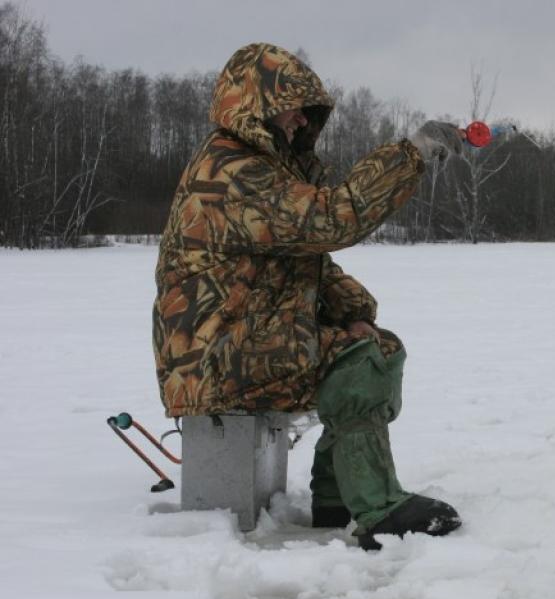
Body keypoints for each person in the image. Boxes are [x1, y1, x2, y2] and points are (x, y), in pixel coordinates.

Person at [152, 43, 463, 550]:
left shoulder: (260, 166)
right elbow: (328, 220)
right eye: (291, 106)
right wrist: (411, 155)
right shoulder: (231, 173)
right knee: (360, 361)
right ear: (255, 104)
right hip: (212, 360)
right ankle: (377, 507)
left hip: (245, 343)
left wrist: (353, 311)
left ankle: (337, 498)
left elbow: (304, 257)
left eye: (305, 109)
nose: (300, 119)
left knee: (375, 347)